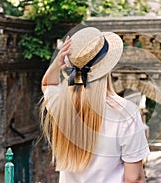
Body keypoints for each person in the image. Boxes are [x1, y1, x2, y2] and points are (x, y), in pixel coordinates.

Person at [40, 27, 150, 183]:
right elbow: (134, 178)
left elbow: (47, 84)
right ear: (108, 68)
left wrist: (58, 62)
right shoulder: (126, 112)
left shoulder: (62, 105)